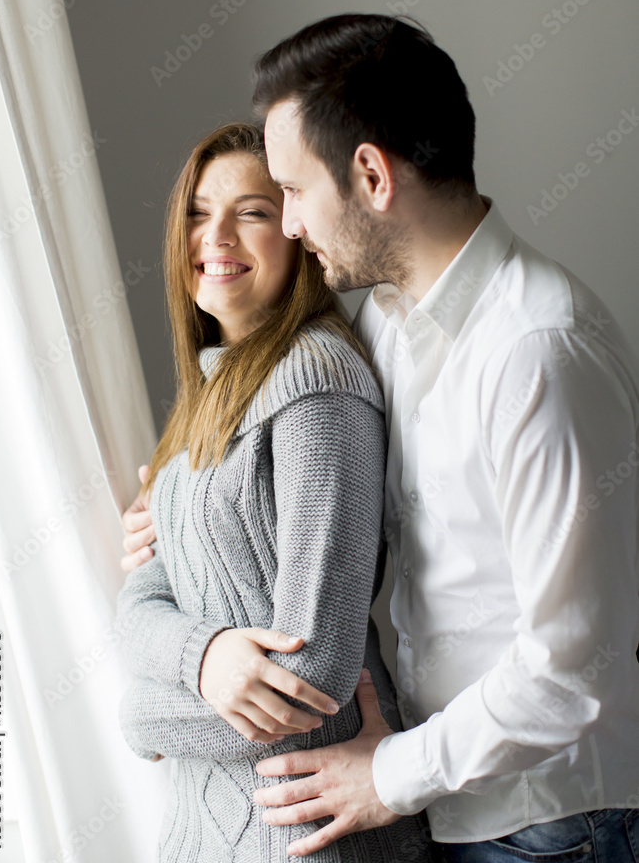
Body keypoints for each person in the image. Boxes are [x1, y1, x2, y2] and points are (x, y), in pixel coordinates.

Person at [122, 14, 639, 862]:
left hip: (549, 823)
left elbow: (571, 667)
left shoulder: (537, 351)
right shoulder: (390, 321)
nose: (286, 224)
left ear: (370, 175)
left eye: (289, 191)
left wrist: (387, 776)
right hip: (457, 809)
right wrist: (174, 502)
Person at [115, 121, 433, 862]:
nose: (215, 234)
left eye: (251, 212)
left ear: (296, 234)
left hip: (311, 837)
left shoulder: (315, 381)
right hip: (203, 832)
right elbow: (138, 600)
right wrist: (206, 654)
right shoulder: (211, 390)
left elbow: (308, 681)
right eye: (198, 211)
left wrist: (139, 718)